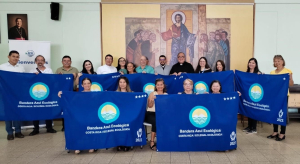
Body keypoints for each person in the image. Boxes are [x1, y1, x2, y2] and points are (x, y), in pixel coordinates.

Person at [58, 78, 96, 154]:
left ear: (91, 84)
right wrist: (62, 95)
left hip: (91, 116)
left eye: (88, 83)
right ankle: (79, 145)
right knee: (78, 128)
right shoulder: (78, 95)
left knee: (91, 127)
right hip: (81, 117)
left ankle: (92, 145)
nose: (87, 85)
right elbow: (70, 103)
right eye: (85, 84)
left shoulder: (95, 94)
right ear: (82, 85)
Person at [267, 55, 294, 141]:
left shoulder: (288, 71)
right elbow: (270, 84)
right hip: (274, 96)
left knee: (282, 114)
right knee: (274, 113)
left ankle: (282, 133)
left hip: (283, 96)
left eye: (279, 61)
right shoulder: (272, 72)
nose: (277, 62)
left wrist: (290, 79)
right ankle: (275, 132)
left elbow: (291, 84)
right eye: (275, 61)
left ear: (282, 61)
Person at [29, 55, 57, 136]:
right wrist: (33, 77)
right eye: (38, 60)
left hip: (47, 93)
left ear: (44, 62)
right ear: (35, 61)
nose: (40, 61)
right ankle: (36, 129)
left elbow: (52, 81)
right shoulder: (32, 71)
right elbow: (29, 82)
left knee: (48, 109)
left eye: (41, 60)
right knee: (35, 111)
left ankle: (49, 128)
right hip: (36, 93)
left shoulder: (49, 70)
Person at [0, 50, 25, 140]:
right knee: (8, 113)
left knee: (17, 112)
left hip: (18, 94)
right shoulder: (2, 67)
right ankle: (10, 132)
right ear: (8, 57)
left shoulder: (21, 68)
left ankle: (18, 131)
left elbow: (23, 80)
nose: (15, 58)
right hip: (6, 94)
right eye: (13, 56)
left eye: (17, 57)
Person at [55, 55, 79, 131]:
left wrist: (75, 77)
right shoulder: (58, 70)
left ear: (71, 62)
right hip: (63, 93)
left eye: (68, 61)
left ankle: (73, 125)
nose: (66, 62)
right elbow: (55, 82)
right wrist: (58, 77)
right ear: (62, 62)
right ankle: (64, 126)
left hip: (73, 92)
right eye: (65, 61)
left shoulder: (75, 69)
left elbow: (77, 83)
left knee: (73, 109)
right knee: (64, 109)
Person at [145, 78, 167, 150]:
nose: (160, 86)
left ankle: (164, 140)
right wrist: (152, 101)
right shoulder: (152, 93)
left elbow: (167, 107)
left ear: (163, 86)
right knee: (156, 121)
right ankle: (152, 141)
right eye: (158, 85)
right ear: (156, 86)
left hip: (161, 114)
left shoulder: (166, 95)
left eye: (161, 84)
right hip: (151, 113)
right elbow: (150, 106)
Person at [243, 58, 262, 134]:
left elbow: (262, 82)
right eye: (250, 62)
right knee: (249, 110)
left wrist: (262, 75)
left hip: (255, 95)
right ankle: (249, 126)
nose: (251, 64)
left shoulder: (258, 73)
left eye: (253, 63)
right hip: (248, 95)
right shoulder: (246, 73)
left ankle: (254, 128)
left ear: (256, 64)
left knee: (254, 110)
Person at [116, 76, 132, 151]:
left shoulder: (132, 93)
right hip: (118, 115)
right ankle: (119, 143)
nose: (122, 84)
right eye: (120, 82)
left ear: (127, 83)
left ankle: (127, 143)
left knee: (128, 122)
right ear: (118, 84)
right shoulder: (114, 94)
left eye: (124, 82)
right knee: (118, 121)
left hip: (128, 115)